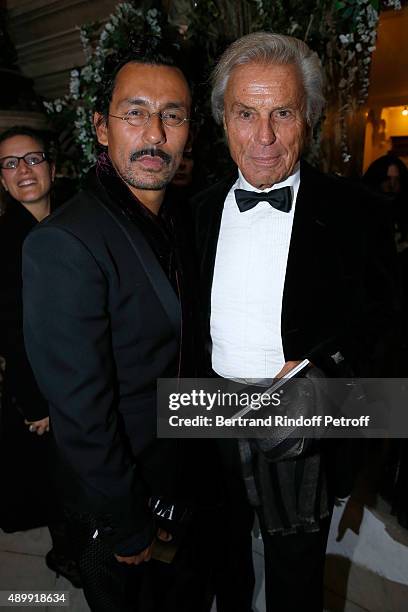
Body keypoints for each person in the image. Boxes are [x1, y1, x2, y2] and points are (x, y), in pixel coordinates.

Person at [192, 32, 399, 612]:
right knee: (222, 555)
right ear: (223, 121)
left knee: (296, 567)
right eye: (245, 114)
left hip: (303, 421)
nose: (263, 137)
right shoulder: (196, 212)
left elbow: (384, 322)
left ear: (308, 119)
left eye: (282, 113)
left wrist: (323, 371)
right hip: (207, 416)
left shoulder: (358, 212)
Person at [22, 45, 201, 612]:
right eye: (135, 112)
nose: (154, 132)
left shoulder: (180, 219)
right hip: (114, 503)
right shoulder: (64, 241)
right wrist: (128, 525)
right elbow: (81, 411)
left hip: (176, 474)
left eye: (172, 115)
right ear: (101, 128)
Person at [0, 125, 80, 587]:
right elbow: (11, 331)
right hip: (42, 387)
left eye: (32, 158)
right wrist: (34, 403)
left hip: (92, 370)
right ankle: (67, 553)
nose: (24, 170)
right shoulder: (2, 242)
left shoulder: (83, 215)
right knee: (55, 478)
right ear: (3, 181)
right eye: (11, 164)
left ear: (52, 165)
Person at [363, 153, 408, 243]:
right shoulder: (365, 211)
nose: (392, 185)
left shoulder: (403, 210)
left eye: (397, 179)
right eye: (387, 179)